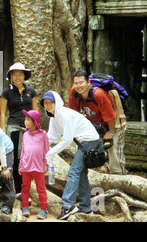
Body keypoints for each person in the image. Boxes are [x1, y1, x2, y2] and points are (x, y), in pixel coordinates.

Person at [42, 91, 102, 220]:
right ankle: (86, 208)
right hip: (83, 143)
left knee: (73, 171)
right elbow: (51, 137)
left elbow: (67, 140)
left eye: (50, 102)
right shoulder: (54, 117)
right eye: (45, 103)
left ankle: (67, 206)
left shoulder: (64, 115)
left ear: (57, 102)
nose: (47, 105)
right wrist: (36, 145)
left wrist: (50, 153)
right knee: (80, 174)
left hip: (90, 142)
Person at [67, 70, 126, 174]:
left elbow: (110, 115)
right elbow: (72, 113)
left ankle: (119, 176)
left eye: (81, 83)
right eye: (76, 83)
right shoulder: (74, 92)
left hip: (115, 123)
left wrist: (111, 131)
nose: (78, 86)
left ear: (88, 82)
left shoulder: (98, 93)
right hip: (96, 123)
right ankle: (94, 168)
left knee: (114, 149)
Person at [0, 62, 38, 194]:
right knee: (14, 157)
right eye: (14, 75)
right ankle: (14, 189)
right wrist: (3, 132)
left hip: (28, 129)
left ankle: (25, 188)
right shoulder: (6, 92)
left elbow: (35, 112)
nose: (17, 77)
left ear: (24, 76)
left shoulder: (31, 91)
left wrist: (36, 129)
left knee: (27, 156)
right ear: (10, 76)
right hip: (14, 126)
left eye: (20, 75)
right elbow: (3, 113)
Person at [18, 110, 49, 219]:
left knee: (41, 188)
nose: (25, 122)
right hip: (26, 167)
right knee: (25, 188)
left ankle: (44, 209)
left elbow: (46, 150)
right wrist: (21, 165)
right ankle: (25, 207)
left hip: (38, 167)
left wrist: (45, 164)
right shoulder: (25, 135)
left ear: (35, 121)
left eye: (28, 119)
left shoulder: (43, 134)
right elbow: (23, 151)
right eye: (25, 119)